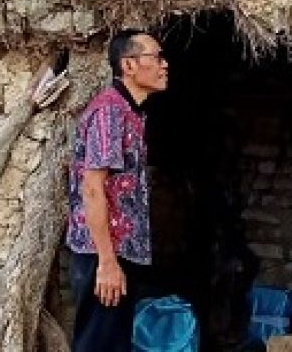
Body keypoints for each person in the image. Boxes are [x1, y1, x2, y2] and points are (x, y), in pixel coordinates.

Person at [66, 28, 169, 351]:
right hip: (103, 256)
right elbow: (92, 188)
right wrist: (107, 262)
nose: (165, 64)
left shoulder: (129, 112)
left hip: (116, 255)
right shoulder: (110, 112)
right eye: (156, 57)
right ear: (129, 65)